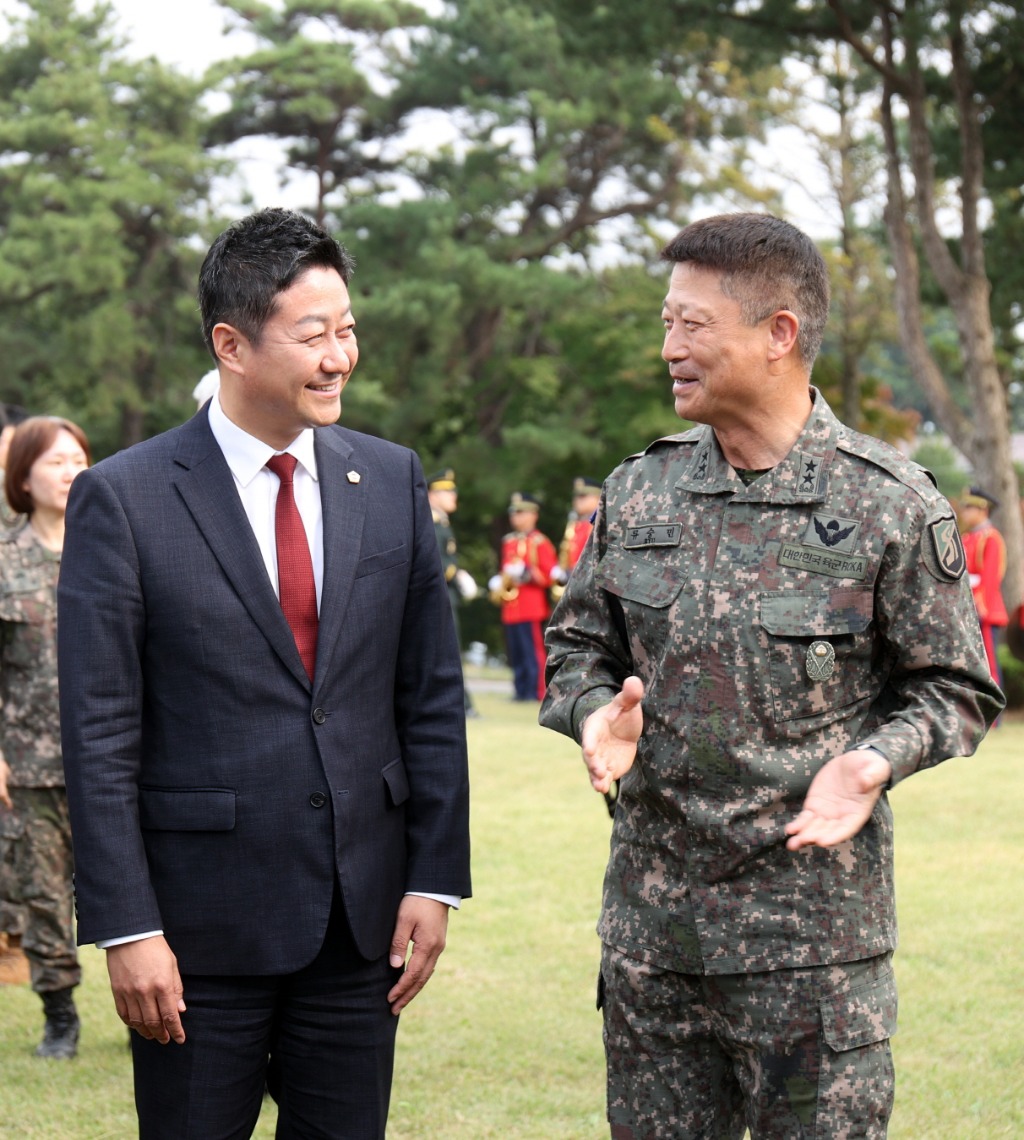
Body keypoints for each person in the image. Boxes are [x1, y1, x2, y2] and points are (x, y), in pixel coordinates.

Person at [539, 212, 1004, 1140]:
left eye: (691, 324)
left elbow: (956, 687)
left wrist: (874, 761)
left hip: (814, 957)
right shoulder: (640, 491)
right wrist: (593, 715)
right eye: (666, 321)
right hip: (654, 950)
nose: (667, 345)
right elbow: (576, 646)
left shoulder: (890, 506)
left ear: (778, 334)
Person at [57, 207, 471, 1138]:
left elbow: (431, 697)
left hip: (358, 927)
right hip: (195, 939)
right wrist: (128, 929)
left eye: (349, 328)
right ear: (231, 345)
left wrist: (434, 879)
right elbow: (98, 732)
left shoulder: (392, 479)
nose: (340, 357)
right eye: (313, 334)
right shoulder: (122, 499)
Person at [0, 416, 91, 1058]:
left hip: (119, 760)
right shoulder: (3, 562)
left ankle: (171, 1002)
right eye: (55, 461)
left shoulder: (115, 545)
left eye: (78, 458)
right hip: (30, 766)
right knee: (42, 897)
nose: (69, 470)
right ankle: (60, 1015)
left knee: (152, 887)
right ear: (23, 477)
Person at [488, 492, 557, 701]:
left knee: (532, 653)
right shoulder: (509, 541)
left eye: (521, 513)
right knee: (516, 653)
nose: (516, 517)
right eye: (514, 513)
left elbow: (549, 575)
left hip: (531, 607)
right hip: (512, 607)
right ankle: (520, 690)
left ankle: (535, 691)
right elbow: (506, 569)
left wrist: (526, 572)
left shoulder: (539, 542)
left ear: (533, 515)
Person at [428, 468, 480, 718]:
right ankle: (462, 704)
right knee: (448, 653)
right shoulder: (433, 524)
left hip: (443, 597)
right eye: (446, 491)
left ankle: (461, 703)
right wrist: (456, 574)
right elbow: (436, 563)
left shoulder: (441, 522)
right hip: (438, 598)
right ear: (432, 495)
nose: (453, 496)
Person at [957, 485, 1008, 684]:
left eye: (970, 507)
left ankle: (994, 716)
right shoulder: (967, 537)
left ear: (983, 510)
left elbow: (990, 577)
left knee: (990, 669)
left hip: (982, 611)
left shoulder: (991, 538)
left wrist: (981, 606)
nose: (965, 511)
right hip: (967, 607)